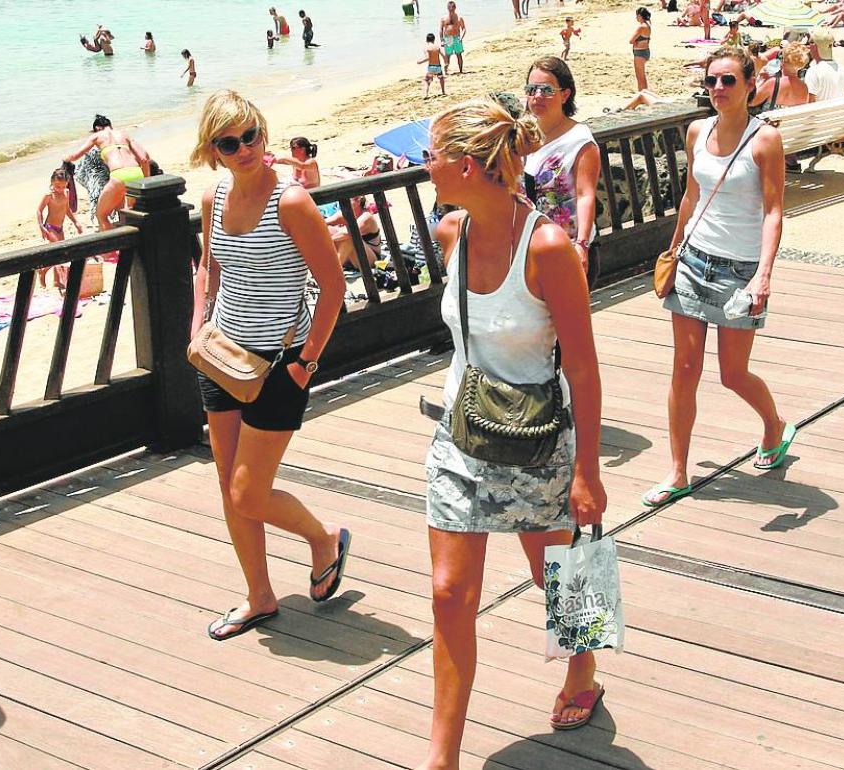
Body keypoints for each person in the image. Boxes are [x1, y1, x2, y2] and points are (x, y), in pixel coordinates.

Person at [419, 97, 606, 769]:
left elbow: (582, 365)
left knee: (556, 571)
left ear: (467, 166)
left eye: (432, 156)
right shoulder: (451, 233)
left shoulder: (547, 247)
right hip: (461, 432)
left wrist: (588, 472)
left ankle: (583, 669)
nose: (425, 167)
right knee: (449, 594)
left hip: (538, 437)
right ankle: (442, 756)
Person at [187, 91, 349, 642]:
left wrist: (307, 361)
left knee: (248, 492)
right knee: (227, 482)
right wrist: (198, 324)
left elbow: (333, 287)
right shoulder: (213, 197)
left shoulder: (291, 202)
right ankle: (259, 595)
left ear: (263, 132)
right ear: (213, 150)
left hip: (280, 363)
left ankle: (323, 538)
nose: (244, 149)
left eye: (250, 135)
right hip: (221, 356)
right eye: (229, 143)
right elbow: (208, 268)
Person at [644, 47, 795, 509]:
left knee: (732, 374)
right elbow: (691, 197)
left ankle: (774, 425)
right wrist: (673, 250)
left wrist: (763, 276)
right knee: (685, 369)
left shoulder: (764, 140)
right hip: (694, 261)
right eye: (711, 81)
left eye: (728, 80)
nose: (718, 89)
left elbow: (773, 212)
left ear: (751, 85)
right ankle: (678, 471)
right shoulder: (698, 130)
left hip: (739, 270)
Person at [523, 57, 601, 280]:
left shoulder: (579, 140)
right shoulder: (523, 135)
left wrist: (582, 244)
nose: (537, 96)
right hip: (528, 252)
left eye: (547, 90)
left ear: (565, 95)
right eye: (532, 89)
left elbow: (585, 195)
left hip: (568, 251)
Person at [61, 115, 151, 232]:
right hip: (136, 173)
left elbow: (75, 156)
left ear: (97, 128)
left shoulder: (96, 136)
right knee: (129, 211)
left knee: (101, 215)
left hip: (118, 175)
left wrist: (66, 158)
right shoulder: (124, 134)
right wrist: (146, 181)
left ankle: (113, 243)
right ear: (110, 125)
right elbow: (144, 158)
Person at [750, 42, 812, 112]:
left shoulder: (773, 83)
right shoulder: (804, 88)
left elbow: (751, 102)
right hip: (793, 119)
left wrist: (760, 79)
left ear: (783, 61)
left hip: (772, 118)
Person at [325, 195, 381, 269]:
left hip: (369, 260)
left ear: (358, 200)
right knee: (328, 229)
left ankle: (334, 269)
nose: (342, 204)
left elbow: (347, 234)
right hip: (350, 258)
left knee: (351, 237)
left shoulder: (367, 217)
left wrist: (327, 240)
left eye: (347, 200)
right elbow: (322, 222)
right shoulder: (344, 213)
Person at [37, 168, 83, 249]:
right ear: (52, 182)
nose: (61, 189)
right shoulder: (49, 195)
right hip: (50, 227)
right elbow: (39, 210)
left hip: (60, 228)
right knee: (58, 247)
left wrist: (75, 222)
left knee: (62, 250)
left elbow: (67, 210)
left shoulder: (66, 192)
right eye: (58, 186)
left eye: (63, 186)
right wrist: (41, 226)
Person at [804, 31, 844, 100]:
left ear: (815, 47)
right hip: (839, 106)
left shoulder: (813, 71)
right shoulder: (841, 68)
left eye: (809, 43)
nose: (808, 47)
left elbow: (810, 101)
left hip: (822, 107)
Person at [440, 2, 467, 74]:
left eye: (452, 8)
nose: (451, 9)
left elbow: (464, 29)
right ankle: (445, 71)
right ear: (447, 8)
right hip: (447, 38)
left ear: (455, 8)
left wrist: (461, 37)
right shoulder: (443, 18)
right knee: (447, 55)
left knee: (459, 54)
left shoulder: (459, 18)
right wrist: (442, 40)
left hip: (456, 38)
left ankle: (461, 70)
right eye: (449, 8)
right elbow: (441, 29)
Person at [631, 7, 653, 92]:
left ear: (640, 16)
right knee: (642, 76)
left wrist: (635, 41)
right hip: (645, 51)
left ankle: (642, 94)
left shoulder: (641, 27)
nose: (636, 17)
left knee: (640, 76)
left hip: (639, 52)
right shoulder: (648, 25)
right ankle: (644, 93)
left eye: (637, 15)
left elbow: (631, 40)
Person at [420, 33, 447, 97]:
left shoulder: (426, 48)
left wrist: (420, 62)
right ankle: (443, 91)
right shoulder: (437, 47)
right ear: (434, 40)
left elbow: (427, 58)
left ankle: (426, 94)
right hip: (438, 67)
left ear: (426, 40)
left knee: (427, 80)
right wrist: (446, 62)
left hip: (431, 67)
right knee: (441, 79)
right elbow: (444, 55)